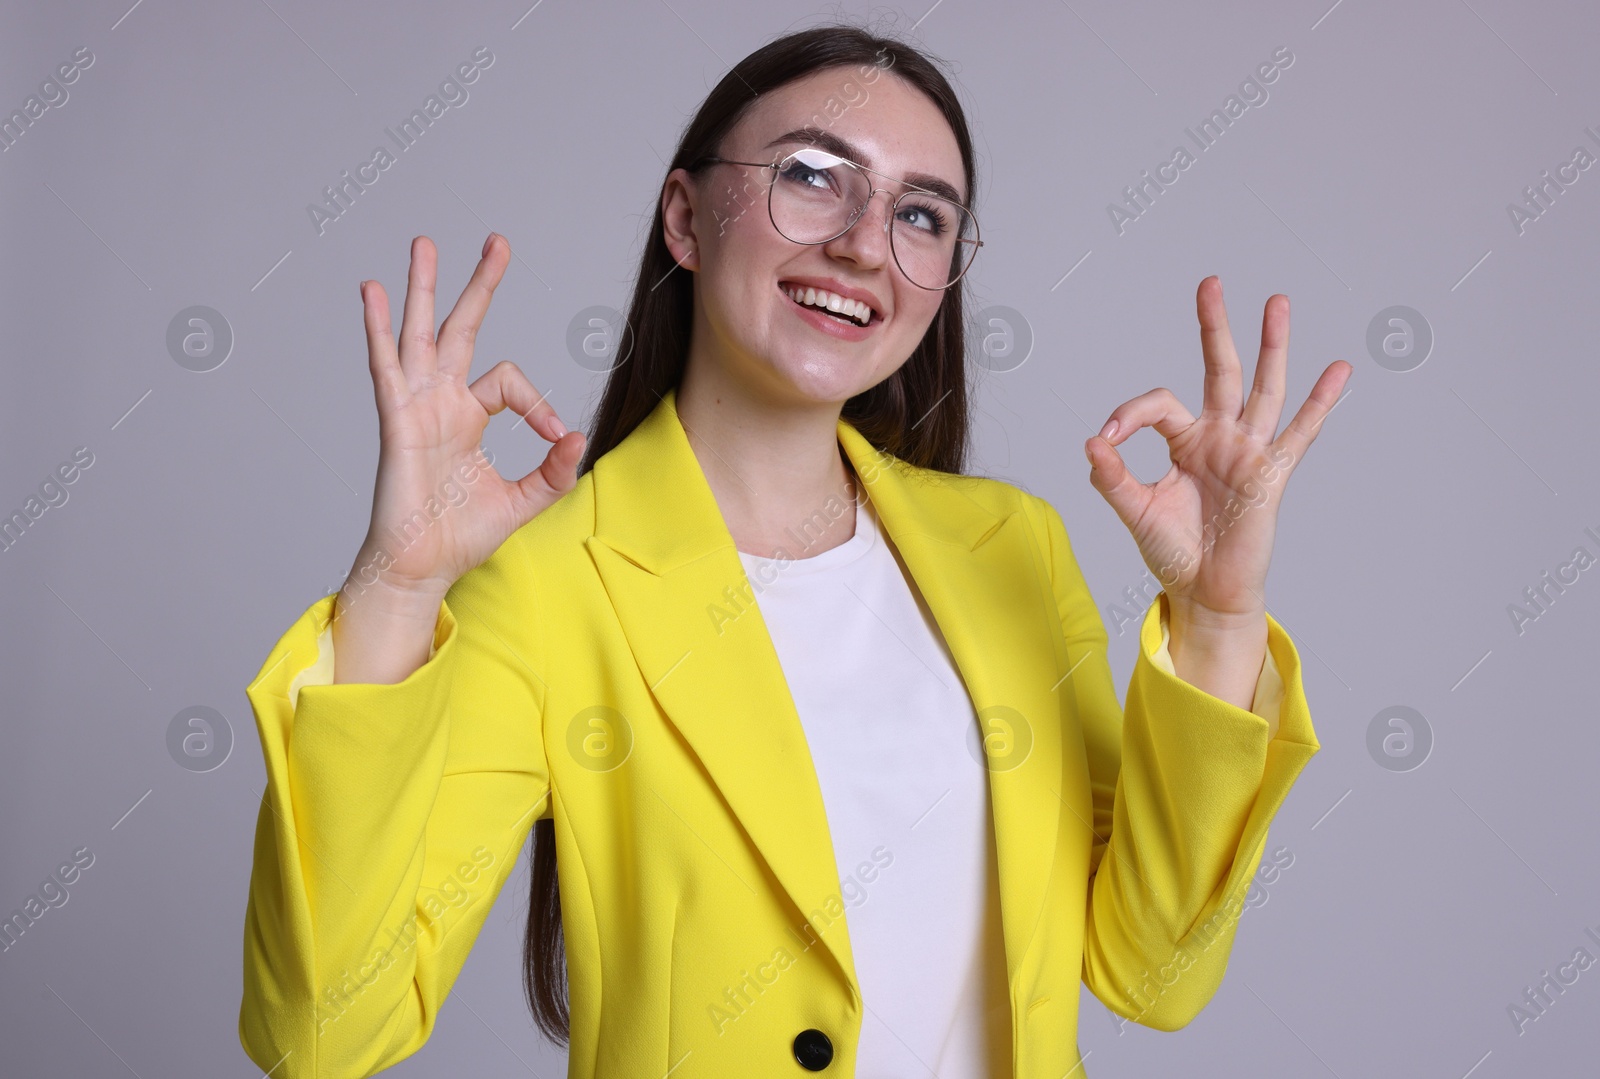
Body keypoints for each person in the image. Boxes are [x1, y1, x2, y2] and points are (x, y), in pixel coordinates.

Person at [237, 22, 1350, 1079]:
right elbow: (325, 1031)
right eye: (812, 174)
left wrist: (1214, 620)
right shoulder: (547, 579)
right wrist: (397, 588)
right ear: (685, 216)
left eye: (921, 214)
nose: (865, 243)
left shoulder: (1011, 548)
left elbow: (1151, 971)